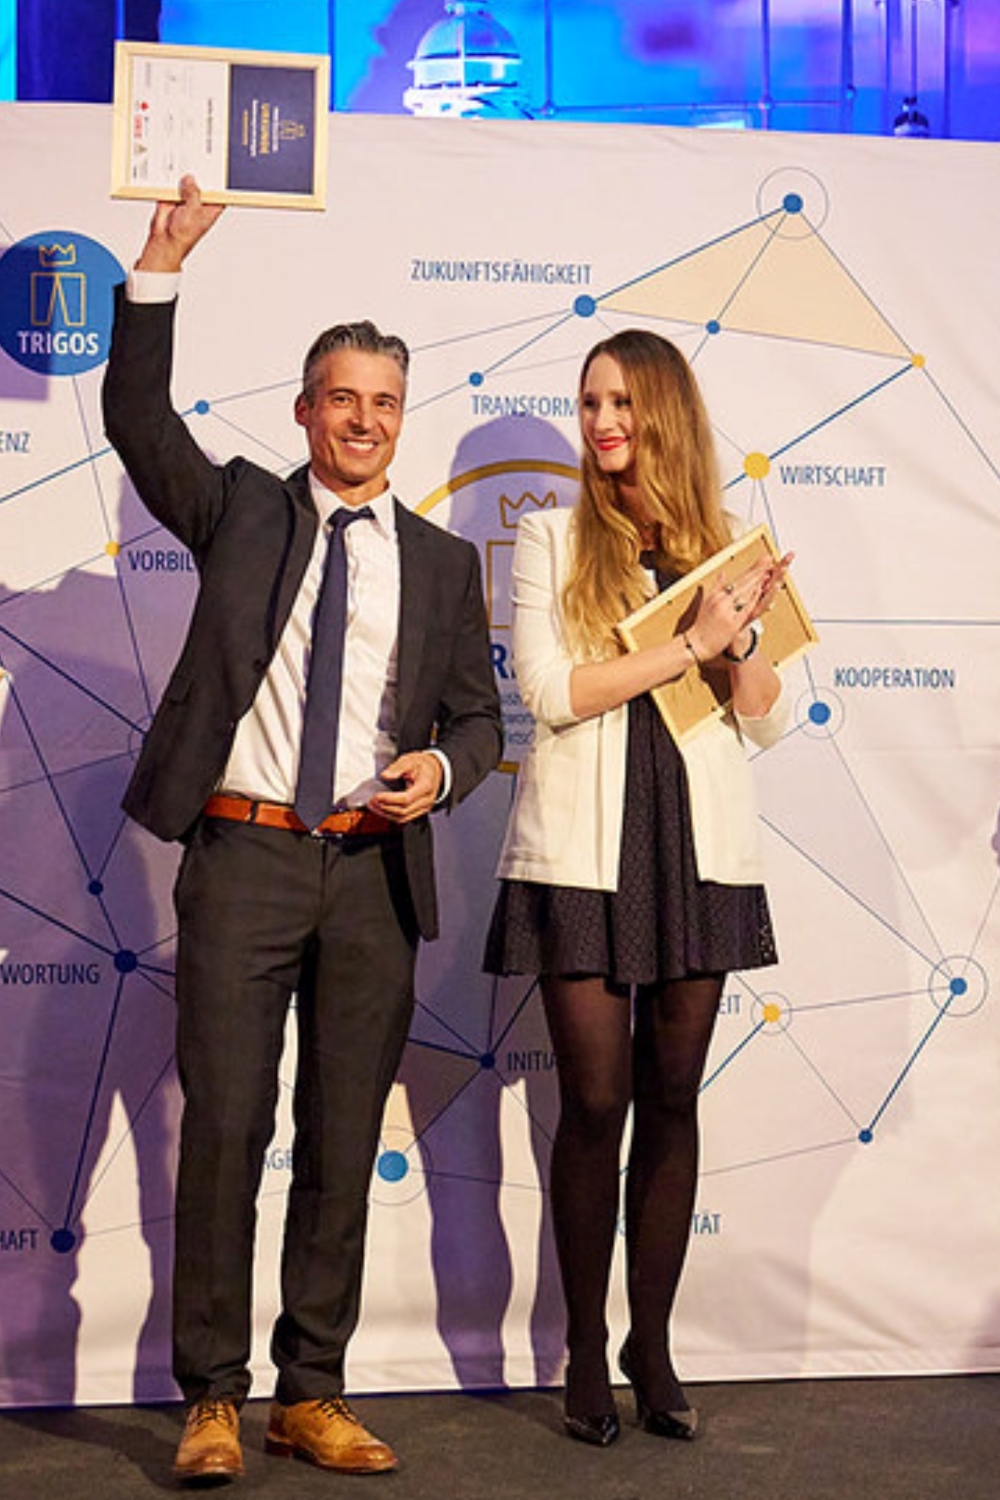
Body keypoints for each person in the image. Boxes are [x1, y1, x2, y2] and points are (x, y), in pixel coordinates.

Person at [103, 177, 502, 1483]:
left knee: (341, 1138)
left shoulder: (441, 562)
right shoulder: (242, 509)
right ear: (305, 411)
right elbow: (138, 420)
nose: (364, 420)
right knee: (224, 1131)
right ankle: (212, 1399)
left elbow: (478, 717)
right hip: (246, 859)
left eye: (384, 402)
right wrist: (159, 268)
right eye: (342, 398)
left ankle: (309, 1391)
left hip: (374, 875)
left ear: (400, 418)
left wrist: (441, 769)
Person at [484, 328, 790, 1447]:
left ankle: (650, 1348)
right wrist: (686, 642)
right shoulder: (550, 537)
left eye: (620, 402)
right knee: (594, 1106)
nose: (602, 422)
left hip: (697, 851)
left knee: (673, 1101)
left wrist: (737, 642)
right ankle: (581, 1350)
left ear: (663, 412)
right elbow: (549, 692)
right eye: (589, 403)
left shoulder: (726, 549)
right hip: (583, 853)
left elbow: (766, 720)